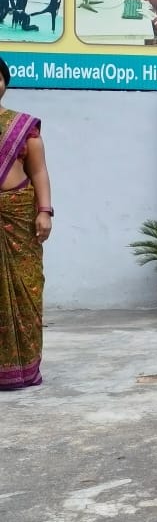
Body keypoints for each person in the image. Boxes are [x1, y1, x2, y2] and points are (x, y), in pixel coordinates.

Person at [0, 56, 53, 389]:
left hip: (18, 218)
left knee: (26, 290)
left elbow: (39, 171)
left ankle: (23, 369)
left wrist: (44, 211)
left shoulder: (23, 127)